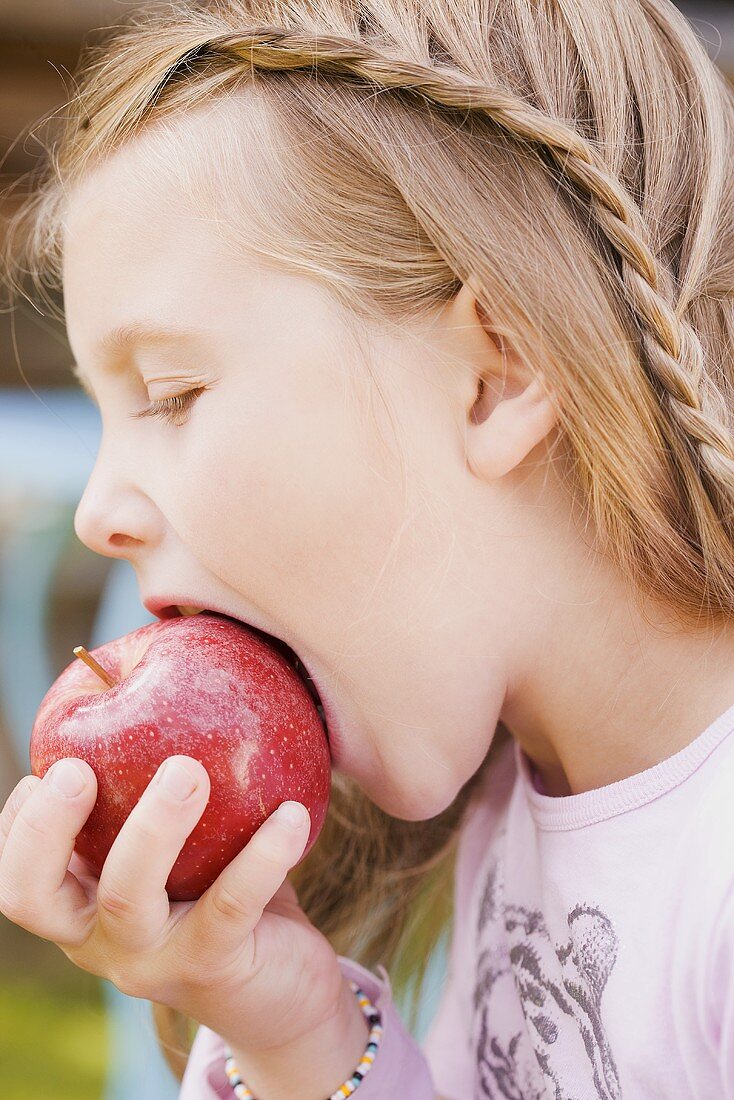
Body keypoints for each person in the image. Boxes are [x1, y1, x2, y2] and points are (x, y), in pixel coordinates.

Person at [1, 0, 734, 1096]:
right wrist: (293, 1030)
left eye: (174, 392)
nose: (102, 508)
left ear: (496, 374)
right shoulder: (524, 804)